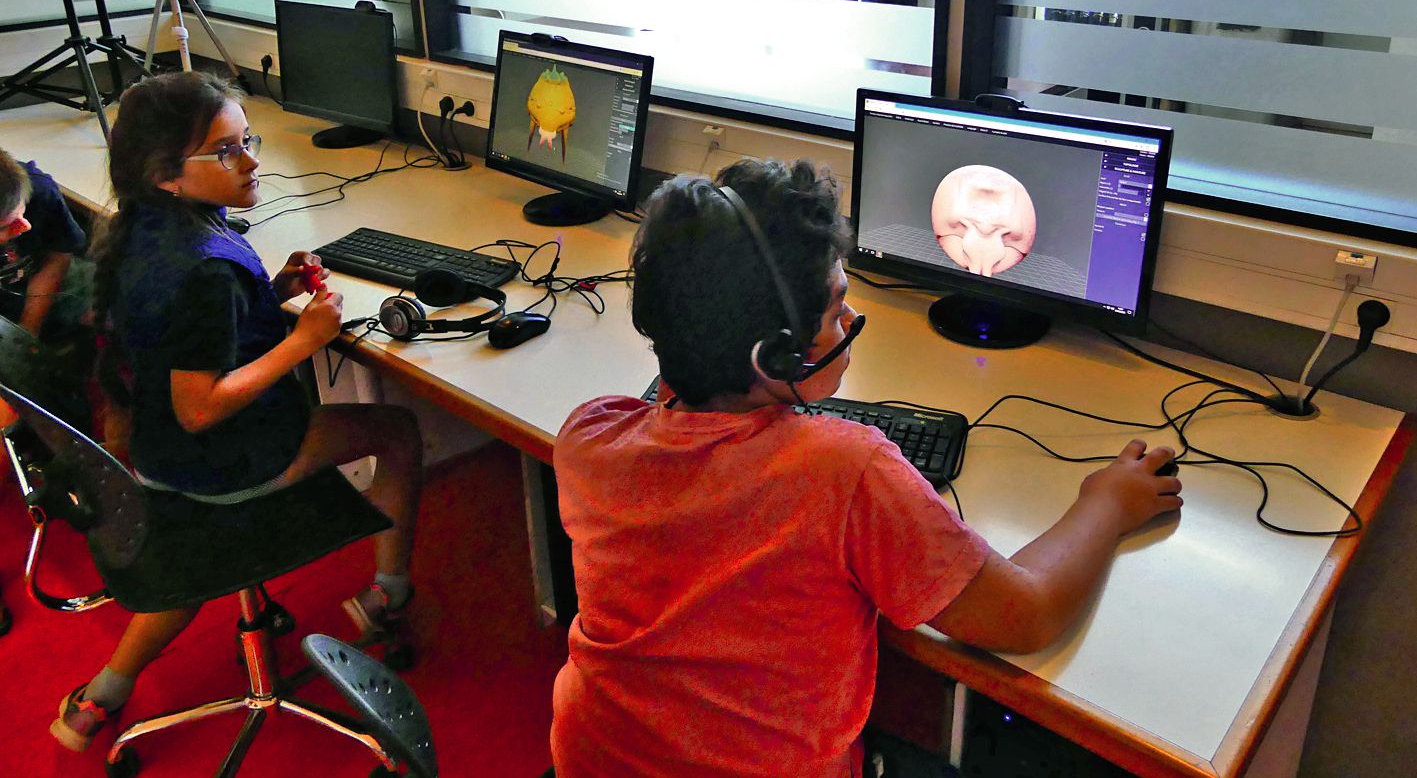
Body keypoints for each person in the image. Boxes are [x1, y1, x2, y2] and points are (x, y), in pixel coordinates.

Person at [550, 157, 1183, 778]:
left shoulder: (589, 437)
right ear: (777, 357)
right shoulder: (841, 469)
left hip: (591, 757)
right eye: (834, 313)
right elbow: (1029, 615)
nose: (850, 323)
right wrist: (1107, 501)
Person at [50, 72, 425, 754]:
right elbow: (201, 407)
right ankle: (387, 597)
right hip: (218, 455)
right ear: (168, 175)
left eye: (247, 140)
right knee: (396, 431)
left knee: (194, 557)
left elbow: (185, 343)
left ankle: (102, 692)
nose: (251, 160)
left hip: (158, 458)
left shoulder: (142, 228)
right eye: (226, 151)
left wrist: (272, 291)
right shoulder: (203, 269)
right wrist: (302, 340)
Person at [0, 146, 89, 338]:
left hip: (38, 277)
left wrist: (27, 332)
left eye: (20, 212)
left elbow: (58, 256)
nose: (25, 226)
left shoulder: (40, 189)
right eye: (3, 227)